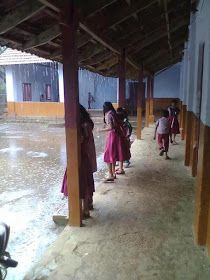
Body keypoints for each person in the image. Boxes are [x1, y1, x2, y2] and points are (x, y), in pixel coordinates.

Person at [61, 104, 97, 218]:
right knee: (85, 184)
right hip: (85, 157)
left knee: (76, 184)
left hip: (77, 159)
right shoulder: (88, 124)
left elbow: (78, 142)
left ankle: (75, 213)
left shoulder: (81, 127)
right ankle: (86, 210)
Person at [99, 102, 125, 182]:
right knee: (113, 154)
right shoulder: (113, 113)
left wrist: (101, 130)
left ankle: (110, 174)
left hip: (112, 136)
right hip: (117, 135)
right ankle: (113, 173)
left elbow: (110, 127)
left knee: (108, 155)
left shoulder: (108, 115)